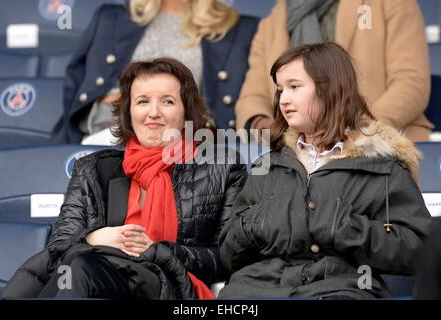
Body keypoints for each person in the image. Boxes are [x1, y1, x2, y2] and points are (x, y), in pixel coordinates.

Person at [2, 58, 247, 299]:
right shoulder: (93, 169)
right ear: (128, 113)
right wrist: (92, 239)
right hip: (96, 280)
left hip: (172, 284)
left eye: (167, 101)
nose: (153, 112)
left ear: (187, 112)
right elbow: (59, 245)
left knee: (79, 267)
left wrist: (155, 251)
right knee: (76, 265)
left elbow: (228, 258)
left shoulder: (222, 168)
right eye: (142, 101)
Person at [218, 43, 432, 300]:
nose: (284, 99)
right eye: (280, 89)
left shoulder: (384, 167)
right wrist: (255, 223)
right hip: (256, 289)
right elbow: (228, 254)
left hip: (341, 289)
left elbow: (418, 250)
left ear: (329, 89)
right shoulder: (269, 166)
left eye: (295, 87)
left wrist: (345, 228)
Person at [52, 0, 259, 144]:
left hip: (188, 142)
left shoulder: (240, 28)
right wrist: (109, 102)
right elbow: (77, 89)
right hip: (114, 133)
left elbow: (248, 100)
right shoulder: (110, 18)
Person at [235, 0, 433, 141]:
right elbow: (252, 97)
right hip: (298, 153)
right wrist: (265, 127)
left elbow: (411, 82)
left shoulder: (393, 3)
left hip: (380, 146)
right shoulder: (272, 21)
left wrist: (357, 130)